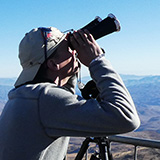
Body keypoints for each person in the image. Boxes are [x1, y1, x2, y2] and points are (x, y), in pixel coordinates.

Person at [0, 27, 140, 160]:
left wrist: (71, 69)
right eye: (69, 49)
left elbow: (62, 94)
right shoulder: (45, 98)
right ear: (54, 64)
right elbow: (126, 118)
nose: (75, 52)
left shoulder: (24, 95)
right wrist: (96, 60)